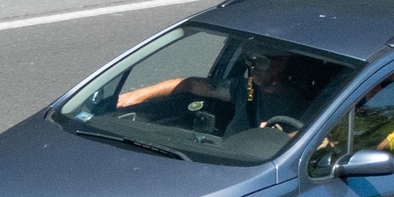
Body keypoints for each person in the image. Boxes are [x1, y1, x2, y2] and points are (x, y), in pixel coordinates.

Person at [116, 51, 313, 136]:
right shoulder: (245, 88)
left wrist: (277, 138)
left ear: (281, 64)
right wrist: (138, 95)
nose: (254, 70)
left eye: (261, 63)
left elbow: (311, 137)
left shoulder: (294, 103)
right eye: (250, 62)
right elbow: (191, 84)